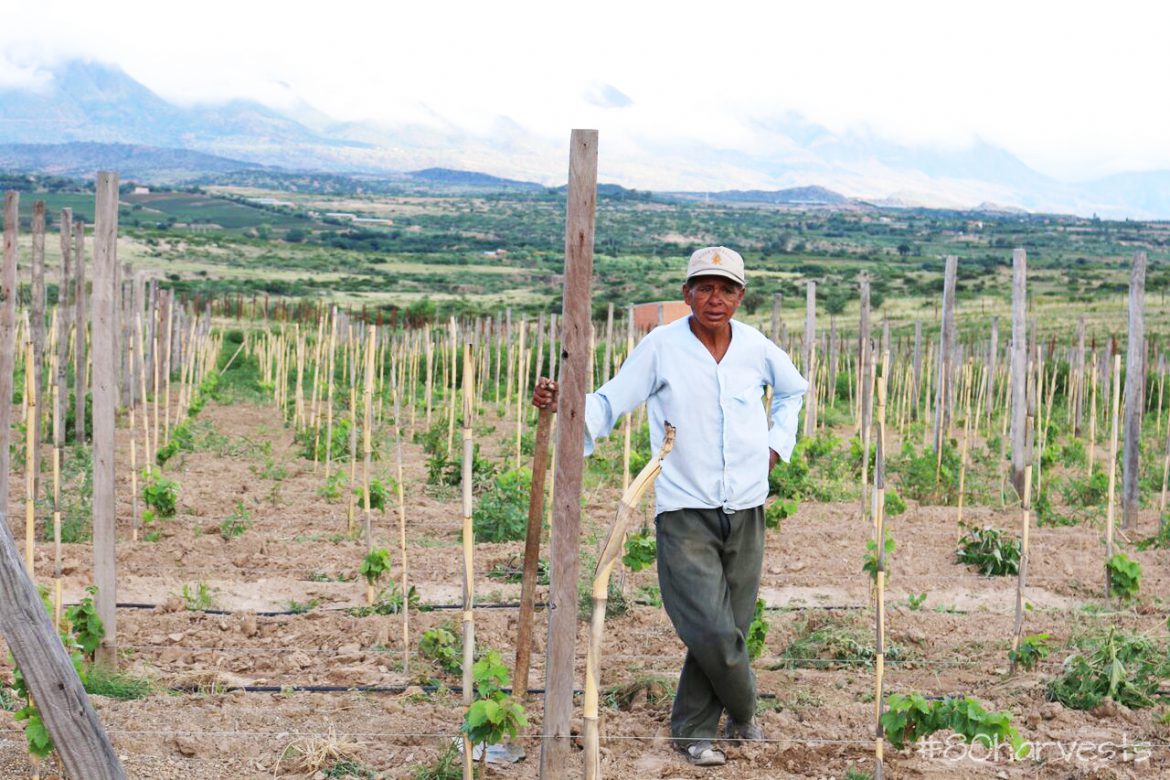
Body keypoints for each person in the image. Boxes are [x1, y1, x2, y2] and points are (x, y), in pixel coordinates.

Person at [531, 246, 808, 766]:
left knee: (732, 626)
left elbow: (793, 391)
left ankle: (695, 731)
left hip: (747, 505)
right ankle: (744, 709)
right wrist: (565, 401)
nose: (715, 299)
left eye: (726, 289)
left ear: (741, 297)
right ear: (687, 294)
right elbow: (610, 400)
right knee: (711, 629)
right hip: (684, 509)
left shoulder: (755, 347)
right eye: (705, 288)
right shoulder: (661, 346)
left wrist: (776, 445)